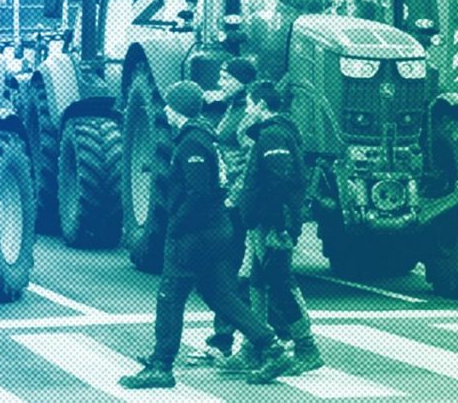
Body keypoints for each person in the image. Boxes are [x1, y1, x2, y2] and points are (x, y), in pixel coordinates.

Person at [118, 80, 294, 390]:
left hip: (195, 234)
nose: (166, 111)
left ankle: (161, 365)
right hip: (216, 230)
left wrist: (176, 227)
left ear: (178, 109)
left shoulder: (191, 144)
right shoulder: (204, 137)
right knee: (220, 295)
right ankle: (271, 347)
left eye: (169, 105)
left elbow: (198, 193)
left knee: (170, 296)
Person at [233, 80, 324, 383]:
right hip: (267, 222)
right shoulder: (276, 133)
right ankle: (254, 347)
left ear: (261, 105)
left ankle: (306, 347)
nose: (247, 110)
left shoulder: (273, 135)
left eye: (249, 104)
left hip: (272, 224)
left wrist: (278, 225)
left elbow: (280, 181)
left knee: (280, 282)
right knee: (259, 282)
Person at [200, 57, 257, 360]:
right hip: (228, 200)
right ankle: (225, 338)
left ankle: (249, 338)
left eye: (226, 77)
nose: (220, 82)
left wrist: (234, 198)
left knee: (233, 271)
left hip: (237, 205)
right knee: (228, 270)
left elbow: (250, 163)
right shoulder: (232, 108)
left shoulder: (247, 114)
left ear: (242, 81)